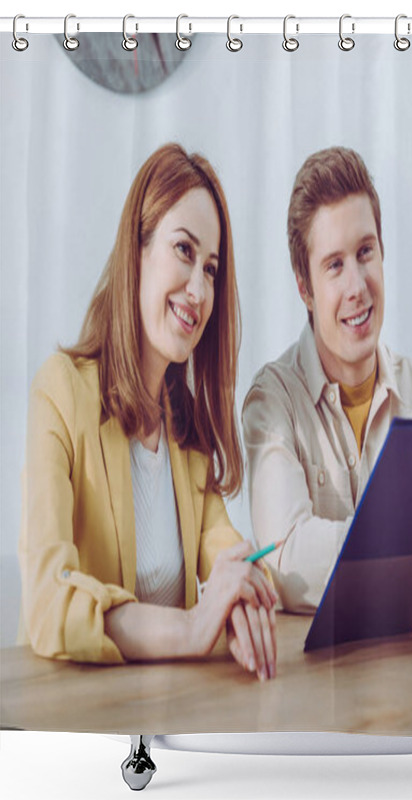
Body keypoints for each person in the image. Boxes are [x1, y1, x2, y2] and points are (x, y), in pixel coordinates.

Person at [18, 143, 278, 682]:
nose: (200, 289)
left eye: (212, 269)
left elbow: (221, 543)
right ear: (136, 251)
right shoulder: (60, 392)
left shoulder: (185, 430)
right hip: (72, 718)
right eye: (184, 250)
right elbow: (48, 597)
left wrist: (244, 586)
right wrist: (190, 627)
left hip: (164, 715)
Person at [242, 146, 412, 616]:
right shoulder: (272, 402)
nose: (357, 286)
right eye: (334, 265)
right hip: (317, 683)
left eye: (365, 252)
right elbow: (287, 563)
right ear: (304, 288)